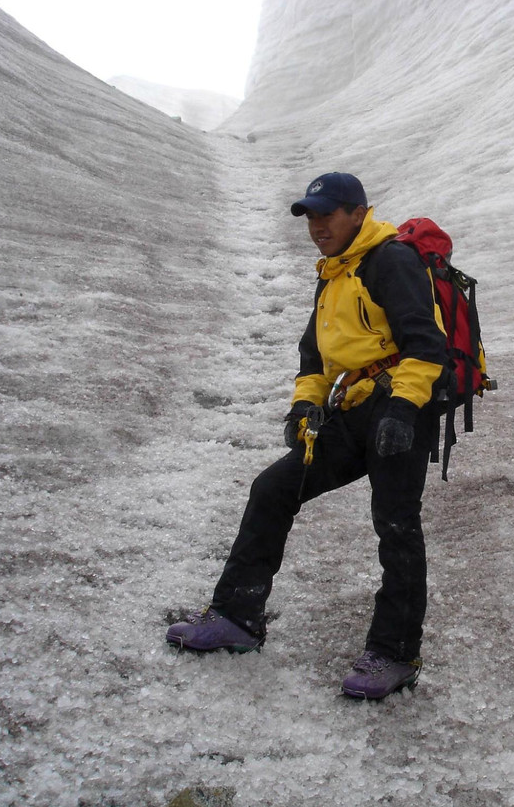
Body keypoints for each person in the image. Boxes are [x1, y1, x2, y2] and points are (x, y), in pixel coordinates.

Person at [166, 172, 447, 700]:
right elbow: (314, 356)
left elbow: (425, 344)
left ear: (359, 213)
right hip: (355, 406)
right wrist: (304, 406)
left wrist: (404, 411)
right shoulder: (334, 274)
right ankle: (236, 616)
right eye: (311, 217)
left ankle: (395, 654)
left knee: (395, 523)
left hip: (402, 405)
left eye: (328, 214)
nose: (317, 226)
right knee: (273, 488)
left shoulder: (391, 260)